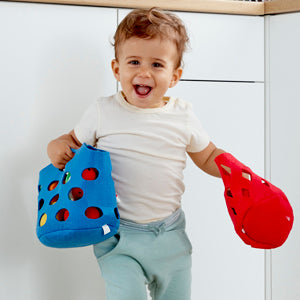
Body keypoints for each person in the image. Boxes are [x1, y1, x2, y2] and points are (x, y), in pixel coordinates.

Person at [47, 7, 225, 300]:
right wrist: (55, 147)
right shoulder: (103, 112)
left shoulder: (183, 116)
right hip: (117, 236)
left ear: (175, 75)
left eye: (157, 64)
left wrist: (233, 171)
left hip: (170, 235)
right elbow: (70, 140)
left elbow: (207, 156)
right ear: (117, 70)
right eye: (134, 62)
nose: (144, 72)